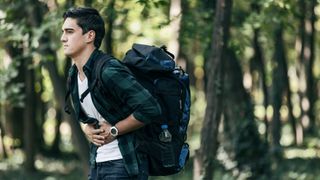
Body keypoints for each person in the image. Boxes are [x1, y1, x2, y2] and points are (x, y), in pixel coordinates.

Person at [61, 7, 161, 179]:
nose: (63, 38)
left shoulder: (109, 70)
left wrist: (115, 130)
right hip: (98, 162)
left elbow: (151, 108)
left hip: (124, 163)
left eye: (69, 32)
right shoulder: (74, 74)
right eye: (63, 32)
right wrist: (87, 129)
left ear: (89, 36)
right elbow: (90, 119)